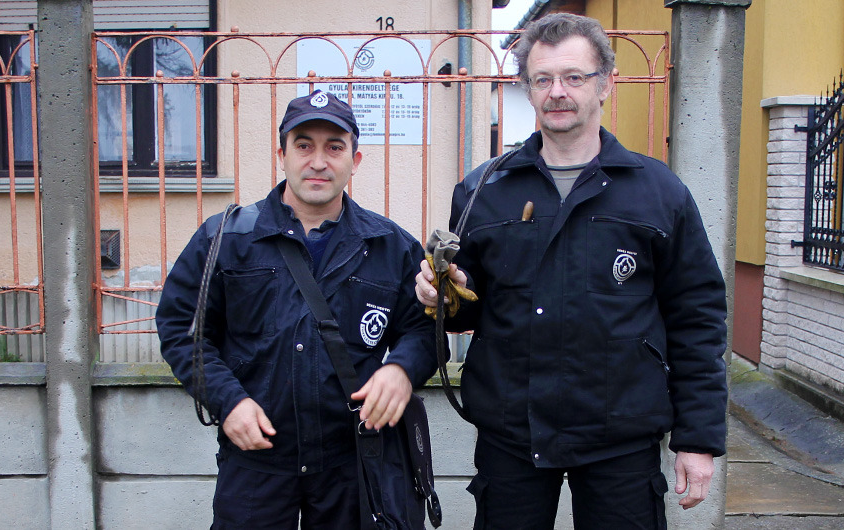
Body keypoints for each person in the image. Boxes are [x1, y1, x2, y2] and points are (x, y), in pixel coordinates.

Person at [415, 13, 728, 529]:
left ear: (606, 83)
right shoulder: (483, 190)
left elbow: (697, 318)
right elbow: (464, 310)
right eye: (543, 79)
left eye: (574, 77)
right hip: (511, 432)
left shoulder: (657, 192)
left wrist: (697, 438)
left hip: (621, 434)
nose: (557, 92)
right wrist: (441, 296)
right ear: (528, 88)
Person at [157, 90, 437, 529]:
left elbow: (424, 330)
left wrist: (402, 370)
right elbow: (182, 329)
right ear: (281, 156)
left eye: (334, 147)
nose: (318, 162)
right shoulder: (225, 239)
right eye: (304, 145)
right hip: (257, 460)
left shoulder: (391, 246)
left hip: (355, 462)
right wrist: (227, 401)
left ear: (355, 161)